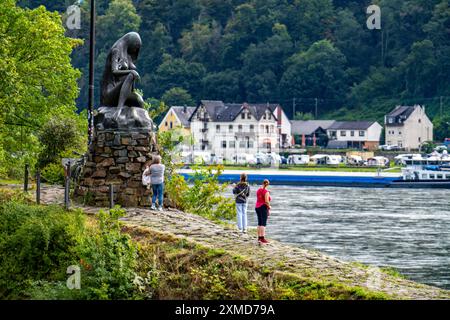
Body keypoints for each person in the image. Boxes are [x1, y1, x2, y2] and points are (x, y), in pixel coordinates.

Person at [255, 179, 271, 244]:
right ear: (267, 184)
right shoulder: (266, 192)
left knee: (259, 222)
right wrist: (269, 207)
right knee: (263, 223)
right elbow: (266, 201)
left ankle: (259, 237)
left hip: (257, 207)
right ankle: (262, 238)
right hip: (263, 207)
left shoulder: (258, 190)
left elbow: (259, 198)